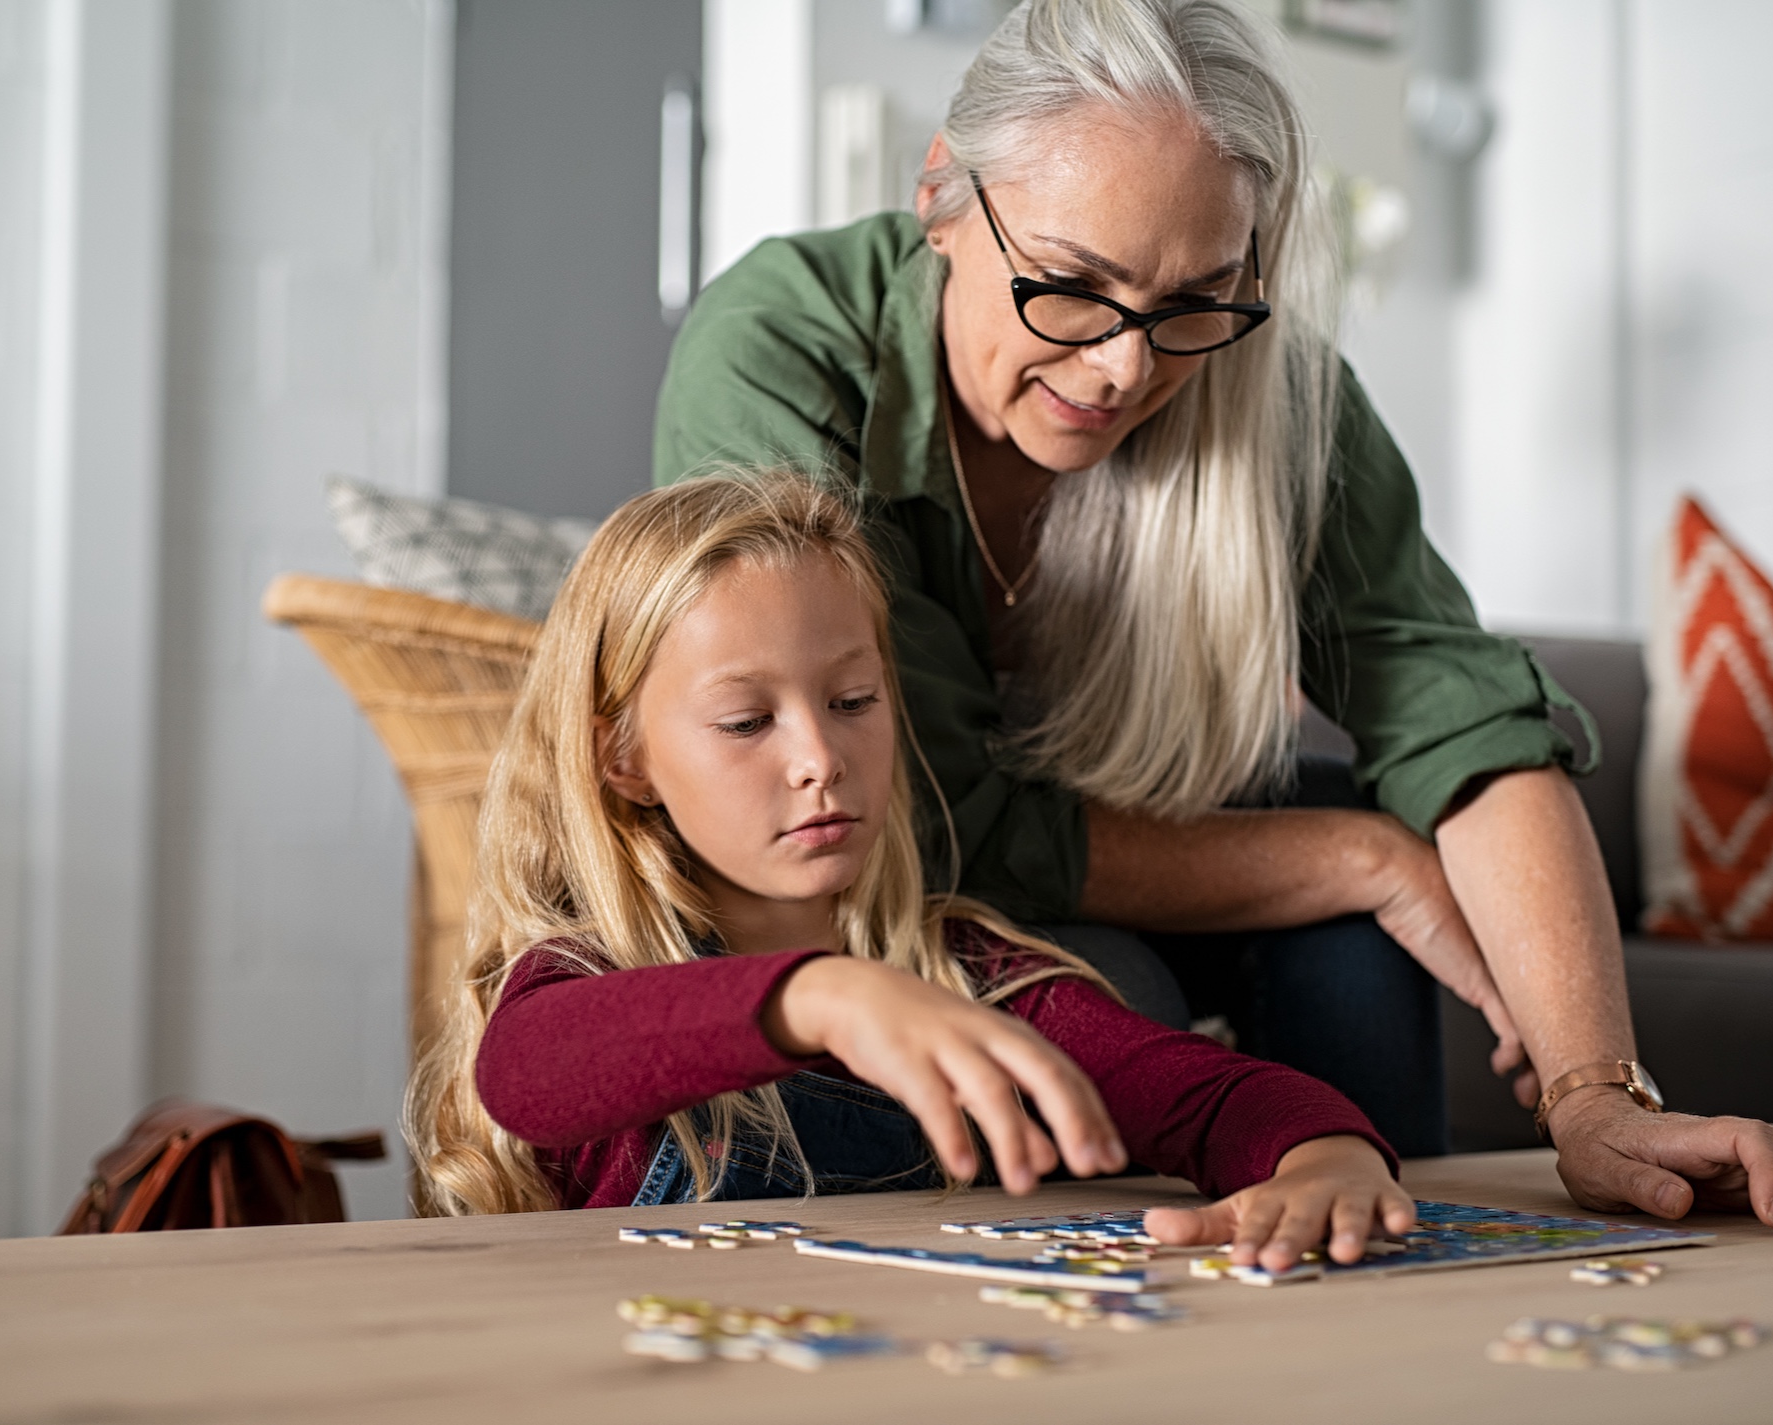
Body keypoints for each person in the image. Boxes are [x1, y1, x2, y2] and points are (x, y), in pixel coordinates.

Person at [653, 0, 1773, 1233]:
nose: (1127, 370)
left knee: (1350, 948)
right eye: (1070, 288)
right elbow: (917, 814)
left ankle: (1393, 1278)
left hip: (1138, 838)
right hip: (893, 894)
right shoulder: (778, 347)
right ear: (941, 197)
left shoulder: (1277, 393)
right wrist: (1365, 859)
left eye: (1194, 301)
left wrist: (1597, 1097)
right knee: (1121, 986)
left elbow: (1464, 724)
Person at [405, 473, 1419, 1272]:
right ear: (623, 758)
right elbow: (525, 1072)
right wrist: (820, 997)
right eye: (746, 721)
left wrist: (1325, 1158)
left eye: (852, 700)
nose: (819, 757)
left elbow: (1205, 1098)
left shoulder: (972, 974)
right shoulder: (581, 981)